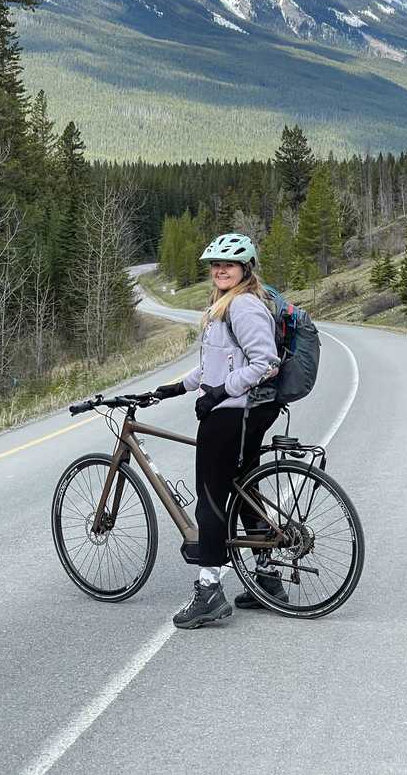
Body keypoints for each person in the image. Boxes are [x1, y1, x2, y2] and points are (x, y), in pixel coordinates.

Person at [153, 232, 287, 629]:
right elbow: (218, 363)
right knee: (245, 495)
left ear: (245, 269)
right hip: (237, 412)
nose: (219, 270)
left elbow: (266, 363)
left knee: (211, 500)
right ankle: (268, 578)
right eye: (215, 265)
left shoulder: (243, 307)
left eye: (228, 265)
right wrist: (180, 386)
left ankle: (209, 590)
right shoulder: (223, 306)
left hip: (234, 415)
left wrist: (217, 396)